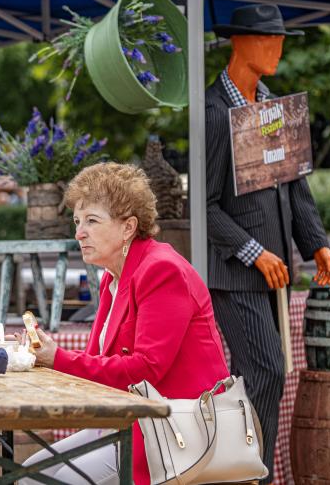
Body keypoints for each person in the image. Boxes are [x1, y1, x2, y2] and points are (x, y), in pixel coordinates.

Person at [20, 162, 230, 485]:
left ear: (128, 227)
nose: (79, 233)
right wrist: (41, 356)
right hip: (133, 422)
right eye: (77, 221)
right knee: (30, 474)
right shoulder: (113, 277)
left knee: (51, 481)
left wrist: (57, 358)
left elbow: (145, 370)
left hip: (177, 431)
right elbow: (98, 364)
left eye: (92, 221)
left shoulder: (161, 270)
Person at [206, 3, 330, 482]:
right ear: (240, 42)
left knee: (260, 377)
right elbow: (202, 207)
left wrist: (316, 243)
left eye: (282, 38)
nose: (278, 47)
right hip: (234, 273)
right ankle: (245, 475)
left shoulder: (274, 107)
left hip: (277, 272)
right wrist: (253, 252)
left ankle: (240, 471)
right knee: (265, 373)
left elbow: (295, 185)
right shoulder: (212, 113)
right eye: (269, 38)